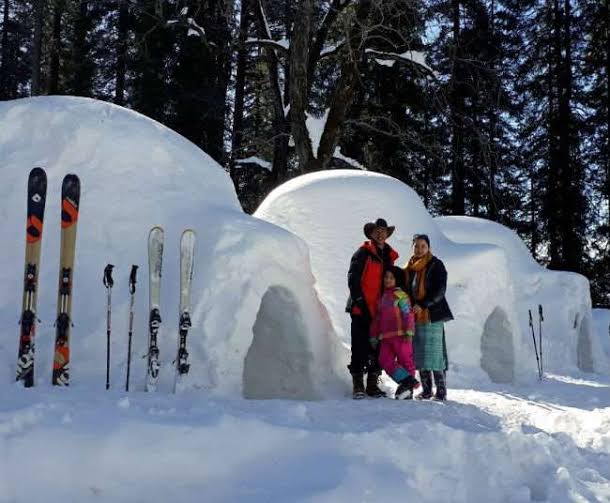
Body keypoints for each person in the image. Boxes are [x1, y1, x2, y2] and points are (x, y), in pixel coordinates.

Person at [346, 218, 399, 399]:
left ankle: (372, 384)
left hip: (381, 311)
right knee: (360, 347)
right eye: (377, 230)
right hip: (361, 310)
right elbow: (353, 281)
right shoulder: (362, 253)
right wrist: (361, 304)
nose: (380, 234)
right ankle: (358, 384)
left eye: (383, 231)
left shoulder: (389, 257)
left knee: (379, 348)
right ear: (371, 233)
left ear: (387, 234)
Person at [405, 234, 454, 400]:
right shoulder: (409, 268)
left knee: (434, 354)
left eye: (423, 246)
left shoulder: (436, 265)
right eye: (416, 246)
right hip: (415, 317)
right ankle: (426, 391)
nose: (419, 249)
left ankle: (441, 391)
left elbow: (440, 290)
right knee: (419, 354)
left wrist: (423, 304)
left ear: (429, 247)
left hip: (432, 315)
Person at [369, 266, 420, 400]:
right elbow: (377, 318)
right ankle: (407, 381)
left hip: (401, 335)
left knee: (405, 360)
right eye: (386, 277)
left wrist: (409, 331)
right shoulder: (383, 297)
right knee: (384, 360)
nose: (388, 280)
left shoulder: (401, 295)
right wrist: (374, 335)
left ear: (397, 280)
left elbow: (407, 314)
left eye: (391, 277)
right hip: (385, 337)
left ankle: (407, 390)